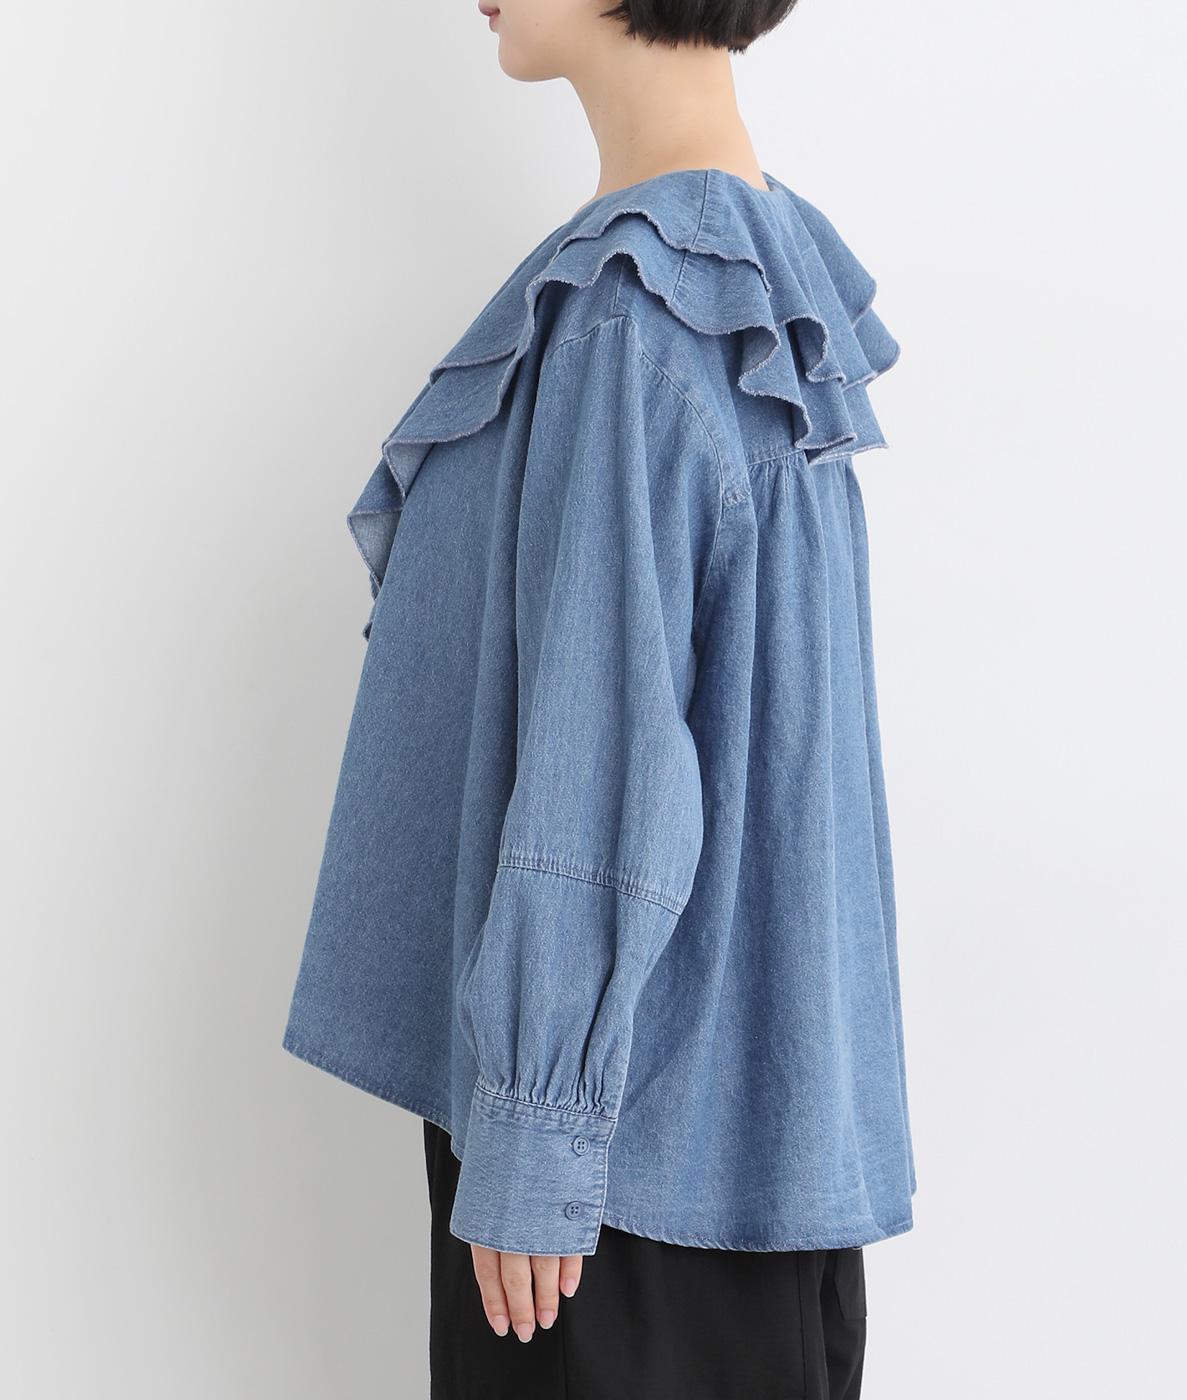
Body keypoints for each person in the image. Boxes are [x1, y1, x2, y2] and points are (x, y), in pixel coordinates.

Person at [282, 1, 916, 1395]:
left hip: (618, 1175)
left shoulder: (636, 316)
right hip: (735, 1145)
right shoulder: (754, 266)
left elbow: (608, 752)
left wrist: (536, 1122)